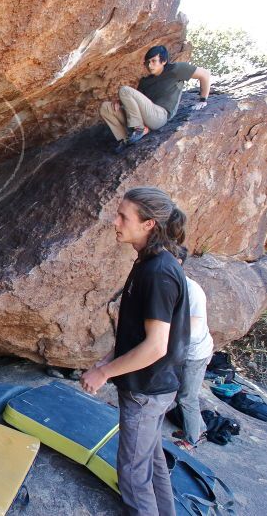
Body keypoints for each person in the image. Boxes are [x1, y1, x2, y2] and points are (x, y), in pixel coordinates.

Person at [81, 187, 191, 516]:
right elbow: (138, 333)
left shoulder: (158, 273)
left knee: (131, 474)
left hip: (148, 388)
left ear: (148, 225)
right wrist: (109, 359)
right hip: (154, 386)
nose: (115, 221)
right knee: (151, 462)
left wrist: (103, 373)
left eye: (123, 216)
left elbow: (156, 346)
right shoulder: (149, 262)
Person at [100, 45, 211, 153]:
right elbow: (135, 101)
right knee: (106, 107)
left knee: (124, 90)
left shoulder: (176, 70)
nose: (150, 65)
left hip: (160, 115)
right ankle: (125, 140)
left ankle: (139, 129)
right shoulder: (145, 81)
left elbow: (205, 74)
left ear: (163, 61)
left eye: (153, 61)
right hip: (146, 116)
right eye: (147, 62)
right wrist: (120, 102)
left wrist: (203, 100)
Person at [169, 246, 214, 450]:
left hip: (195, 353)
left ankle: (191, 440)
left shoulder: (192, 290)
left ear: (178, 262)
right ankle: (197, 429)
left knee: (187, 396)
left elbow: (194, 329)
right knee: (183, 393)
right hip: (183, 350)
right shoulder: (173, 285)